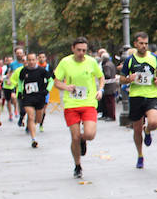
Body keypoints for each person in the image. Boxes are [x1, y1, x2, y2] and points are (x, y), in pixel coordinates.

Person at [53, 37, 105, 178]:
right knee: (74, 137)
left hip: (88, 102)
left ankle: (84, 140)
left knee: (89, 135)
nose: (81, 53)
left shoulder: (91, 62)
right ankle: (77, 165)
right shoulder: (65, 62)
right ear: (73, 49)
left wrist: (100, 90)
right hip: (71, 104)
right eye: (79, 50)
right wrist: (66, 87)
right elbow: (56, 82)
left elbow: (101, 77)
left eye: (84, 50)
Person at [120, 32, 157, 169]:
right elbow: (121, 79)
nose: (144, 46)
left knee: (154, 123)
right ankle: (140, 155)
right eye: (141, 43)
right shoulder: (130, 60)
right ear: (135, 44)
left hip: (151, 95)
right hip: (136, 96)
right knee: (137, 129)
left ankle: (148, 130)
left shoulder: (154, 58)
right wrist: (128, 79)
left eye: (146, 43)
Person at [12, 53, 53, 147]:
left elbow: (51, 80)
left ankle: (33, 126)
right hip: (28, 97)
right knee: (30, 116)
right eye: (29, 60)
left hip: (39, 97)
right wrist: (20, 91)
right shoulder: (24, 71)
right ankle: (33, 139)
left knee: (38, 119)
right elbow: (20, 81)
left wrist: (47, 90)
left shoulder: (42, 70)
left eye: (33, 60)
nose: (31, 62)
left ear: (36, 60)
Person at [100, 49, 119, 121]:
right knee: (109, 102)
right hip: (112, 86)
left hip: (108, 87)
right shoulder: (111, 63)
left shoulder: (106, 65)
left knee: (109, 102)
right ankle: (108, 115)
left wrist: (102, 77)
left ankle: (111, 116)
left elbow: (107, 75)